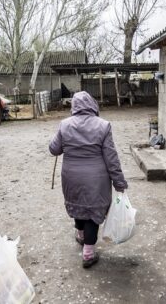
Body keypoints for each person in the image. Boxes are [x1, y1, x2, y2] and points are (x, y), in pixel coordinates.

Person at [49, 91, 128, 268]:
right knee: (92, 213)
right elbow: (111, 157)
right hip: (96, 178)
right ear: (92, 104)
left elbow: (54, 149)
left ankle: (81, 235)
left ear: (74, 107)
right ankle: (88, 253)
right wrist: (119, 181)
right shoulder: (103, 125)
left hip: (71, 176)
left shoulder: (64, 124)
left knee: (78, 204)